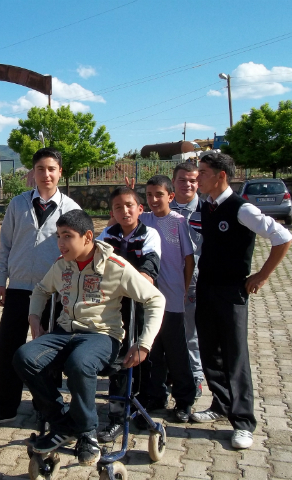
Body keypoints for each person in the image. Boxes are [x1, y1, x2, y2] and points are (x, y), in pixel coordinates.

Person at [12, 210, 165, 466]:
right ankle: (63, 424)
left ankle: (87, 434)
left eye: (67, 236)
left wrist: (144, 343)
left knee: (79, 362)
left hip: (102, 336)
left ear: (88, 237)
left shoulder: (115, 266)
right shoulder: (62, 265)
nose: (61, 243)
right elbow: (40, 290)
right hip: (64, 334)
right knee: (23, 357)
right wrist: (34, 319)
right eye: (58, 236)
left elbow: (155, 299)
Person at [0, 147, 81, 429]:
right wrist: (0, 280)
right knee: (8, 347)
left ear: (60, 173)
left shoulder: (71, 209)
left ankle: (46, 409)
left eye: (52, 169)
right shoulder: (18, 205)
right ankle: (4, 406)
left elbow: (78, 252)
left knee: (48, 353)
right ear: (33, 173)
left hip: (53, 294)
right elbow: (5, 246)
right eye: (41, 169)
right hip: (18, 288)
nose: (46, 174)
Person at [192, 151, 292, 449]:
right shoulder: (207, 206)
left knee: (235, 355)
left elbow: (283, 237)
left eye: (204, 172)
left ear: (221, 176)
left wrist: (261, 276)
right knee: (210, 351)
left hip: (231, 293)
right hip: (206, 288)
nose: (198, 177)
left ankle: (244, 422)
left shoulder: (241, 209)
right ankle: (220, 405)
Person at [95, 187, 162, 442]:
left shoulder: (150, 234)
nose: (125, 211)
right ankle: (116, 417)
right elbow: (96, 261)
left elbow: (150, 266)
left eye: (129, 206)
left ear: (140, 209)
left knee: (142, 355)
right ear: (112, 212)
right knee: (120, 360)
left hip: (140, 303)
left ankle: (141, 408)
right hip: (113, 307)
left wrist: (140, 278)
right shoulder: (106, 235)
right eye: (118, 207)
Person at [137, 175, 197, 425]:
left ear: (170, 196)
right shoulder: (144, 220)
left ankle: (184, 400)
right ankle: (155, 395)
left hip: (172, 296)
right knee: (153, 349)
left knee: (176, 350)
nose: (153, 200)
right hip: (148, 297)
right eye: (149, 195)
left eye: (158, 194)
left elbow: (189, 260)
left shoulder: (179, 222)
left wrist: (182, 290)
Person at [169, 162, 205, 398]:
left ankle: (195, 375)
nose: (187, 184)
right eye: (182, 179)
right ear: (173, 182)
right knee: (165, 331)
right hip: (165, 280)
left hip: (193, 281)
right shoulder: (162, 208)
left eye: (192, 180)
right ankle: (166, 374)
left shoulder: (207, 210)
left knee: (190, 331)